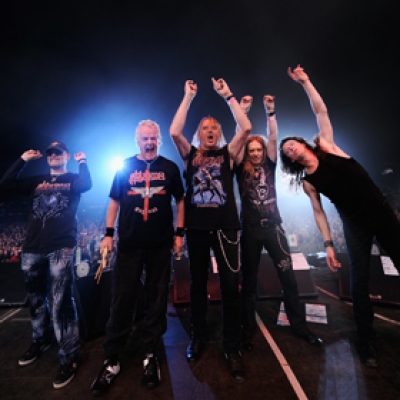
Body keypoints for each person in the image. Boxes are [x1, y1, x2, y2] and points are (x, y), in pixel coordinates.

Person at [280, 65, 400, 368]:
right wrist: (329, 244)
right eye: (286, 151)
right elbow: (318, 212)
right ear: (290, 160)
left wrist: (306, 82)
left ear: (301, 142)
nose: (289, 148)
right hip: (355, 225)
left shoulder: (327, 146)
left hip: (381, 213)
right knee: (358, 281)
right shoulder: (308, 182)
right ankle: (367, 340)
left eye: (290, 143)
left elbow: (321, 111)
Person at [90, 120, 185, 396]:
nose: (149, 142)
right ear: (137, 140)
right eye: (145, 138)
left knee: (157, 301)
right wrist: (108, 234)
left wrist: (179, 233)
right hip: (129, 245)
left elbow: (180, 200)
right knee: (122, 300)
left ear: (159, 140)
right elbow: (114, 201)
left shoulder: (170, 168)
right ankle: (112, 358)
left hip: (160, 245)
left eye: (153, 138)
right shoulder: (124, 166)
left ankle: (150, 354)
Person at [169, 78, 252, 383]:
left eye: (214, 127)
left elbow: (245, 128)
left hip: (226, 227)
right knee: (197, 284)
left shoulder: (228, 154)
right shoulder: (190, 154)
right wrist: (188, 97)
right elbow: (174, 132)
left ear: (219, 133)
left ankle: (231, 347)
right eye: (205, 127)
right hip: (197, 228)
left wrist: (228, 96)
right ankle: (199, 336)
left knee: (230, 285)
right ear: (199, 133)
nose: (210, 130)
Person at [0, 141, 92, 388]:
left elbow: (86, 185)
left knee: (61, 303)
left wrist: (83, 162)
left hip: (61, 246)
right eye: (50, 153)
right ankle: (41, 340)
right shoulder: (36, 180)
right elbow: (5, 184)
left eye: (58, 153)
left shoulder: (73, 179)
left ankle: (69, 357)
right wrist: (22, 160)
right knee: (35, 300)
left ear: (66, 156)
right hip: (32, 247)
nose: (53, 156)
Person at [235, 94, 323, 351]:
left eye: (258, 150)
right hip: (250, 231)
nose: (255, 153)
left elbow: (273, 138)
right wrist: (242, 112)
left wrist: (270, 111)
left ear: (263, 152)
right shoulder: (240, 167)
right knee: (248, 284)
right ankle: (247, 331)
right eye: (251, 150)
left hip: (274, 228)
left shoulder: (270, 164)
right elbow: (239, 138)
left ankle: (300, 327)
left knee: (290, 280)